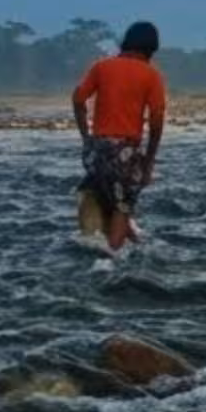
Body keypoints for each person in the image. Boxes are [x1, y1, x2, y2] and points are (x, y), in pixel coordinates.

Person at [72, 22, 166, 249]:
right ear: (151, 49)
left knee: (101, 195)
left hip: (96, 150)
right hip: (125, 151)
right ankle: (111, 261)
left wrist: (86, 137)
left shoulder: (101, 67)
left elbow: (78, 99)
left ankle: (126, 241)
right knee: (123, 206)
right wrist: (149, 161)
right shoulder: (151, 75)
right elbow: (156, 121)